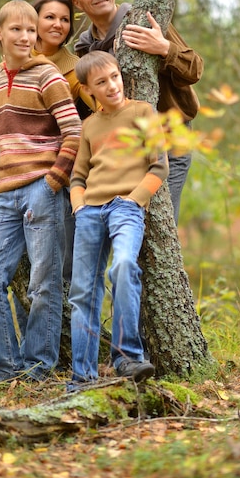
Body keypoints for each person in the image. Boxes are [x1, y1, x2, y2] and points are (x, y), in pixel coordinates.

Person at [0, 0, 82, 388]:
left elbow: (73, 133)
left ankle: (38, 368)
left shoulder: (49, 75)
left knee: (43, 283)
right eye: (16, 30)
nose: (25, 37)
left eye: (30, 30)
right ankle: (2, 369)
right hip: (6, 195)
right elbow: (9, 129)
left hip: (43, 190)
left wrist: (52, 182)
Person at [0, 0, 99, 284]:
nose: (58, 25)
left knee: (54, 273)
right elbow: (8, 119)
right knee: (22, 271)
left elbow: (96, 115)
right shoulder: (12, 68)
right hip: (17, 180)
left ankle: (59, 329)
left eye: (65, 19)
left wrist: (54, 178)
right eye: (50, 17)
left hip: (60, 172)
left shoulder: (69, 68)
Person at [69, 0, 204, 225]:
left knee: (160, 224)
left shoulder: (143, 20)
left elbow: (195, 68)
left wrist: (164, 48)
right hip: (124, 147)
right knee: (128, 225)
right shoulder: (85, 49)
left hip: (170, 136)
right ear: (78, 3)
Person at [67, 50, 169, 390]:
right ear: (88, 89)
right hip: (90, 212)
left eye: (115, 76)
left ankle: (127, 356)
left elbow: (160, 165)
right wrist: (79, 207)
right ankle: (82, 376)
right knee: (83, 291)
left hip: (126, 207)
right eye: (101, 82)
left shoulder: (142, 112)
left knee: (123, 265)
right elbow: (78, 176)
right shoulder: (89, 126)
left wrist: (134, 200)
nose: (112, 85)